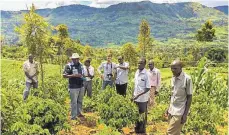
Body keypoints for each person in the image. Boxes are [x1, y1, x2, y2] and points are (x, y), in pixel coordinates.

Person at [165, 60, 193, 135]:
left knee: (169, 132)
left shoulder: (187, 79)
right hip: (172, 109)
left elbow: (189, 97)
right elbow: (172, 95)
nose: (173, 70)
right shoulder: (173, 78)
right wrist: (168, 108)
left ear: (181, 68)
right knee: (175, 132)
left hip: (180, 111)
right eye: (171, 68)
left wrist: (185, 115)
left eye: (175, 68)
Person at [63, 53, 85, 120]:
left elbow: (82, 74)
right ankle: (73, 116)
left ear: (78, 59)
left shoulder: (81, 65)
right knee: (74, 102)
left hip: (81, 85)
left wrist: (83, 77)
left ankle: (79, 113)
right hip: (73, 86)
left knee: (80, 101)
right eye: (74, 59)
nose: (75, 60)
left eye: (77, 59)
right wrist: (73, 75)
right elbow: (64, 75)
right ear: (72, 59)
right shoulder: (68, 66)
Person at [132, 58, 151, 134]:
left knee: (142, 114)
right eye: (138, 63)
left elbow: (147, 88)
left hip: (142, 99)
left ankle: (142, 130)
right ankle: (137, 128)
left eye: (141, 63)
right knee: (136, 113)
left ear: (144, 64)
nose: (139, 65)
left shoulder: (147, 74)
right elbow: (135, 85)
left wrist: (138, 95)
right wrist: (133, 95)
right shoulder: (136, 72)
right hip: (135, 97)